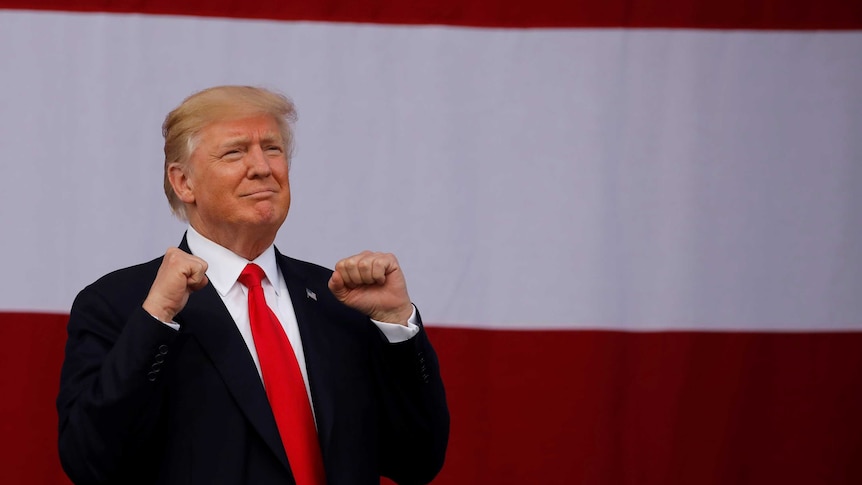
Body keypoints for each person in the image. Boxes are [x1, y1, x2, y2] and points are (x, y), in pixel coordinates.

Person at [57, 86, 449, 485]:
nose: (262, 167)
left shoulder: (339, 299)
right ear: (183, 183)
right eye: (235, 152)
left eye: (273, 149)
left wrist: (396, 325)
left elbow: (417, 460)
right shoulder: (122, 304)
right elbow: (92, 462)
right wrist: (156, 318)